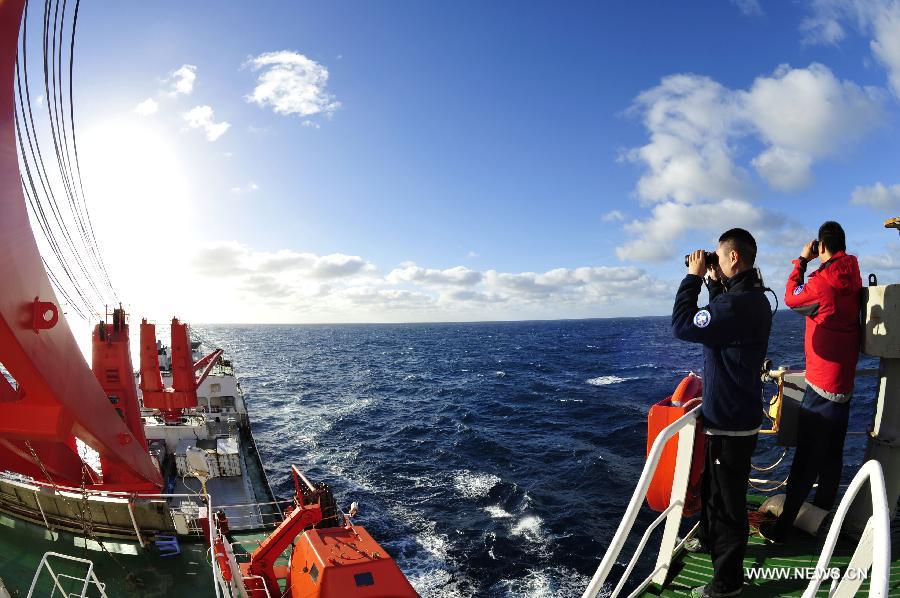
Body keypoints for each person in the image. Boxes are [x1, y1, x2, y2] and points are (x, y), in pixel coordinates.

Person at [672, 228, 773, 598]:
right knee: (715, 492)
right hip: (733, 416)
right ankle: (711, 541)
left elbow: (683, 326)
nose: (712, 261)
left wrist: (693, 278)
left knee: (729, 505)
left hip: (729, 422)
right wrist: (714, 285)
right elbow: (720, 323)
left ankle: (727, 583)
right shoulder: (751, 300)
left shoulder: (737, 305)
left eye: (717, 256)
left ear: (733, 257)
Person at [759, 221, 861, 545]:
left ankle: (785, 528)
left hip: (820, 386)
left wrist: (801, 262)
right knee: (832, 458)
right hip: (844, 385)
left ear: (821, 247)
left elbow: (791, 298)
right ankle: (822, 519)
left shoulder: (822, 280)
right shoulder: (853, 273)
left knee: (804, 464)